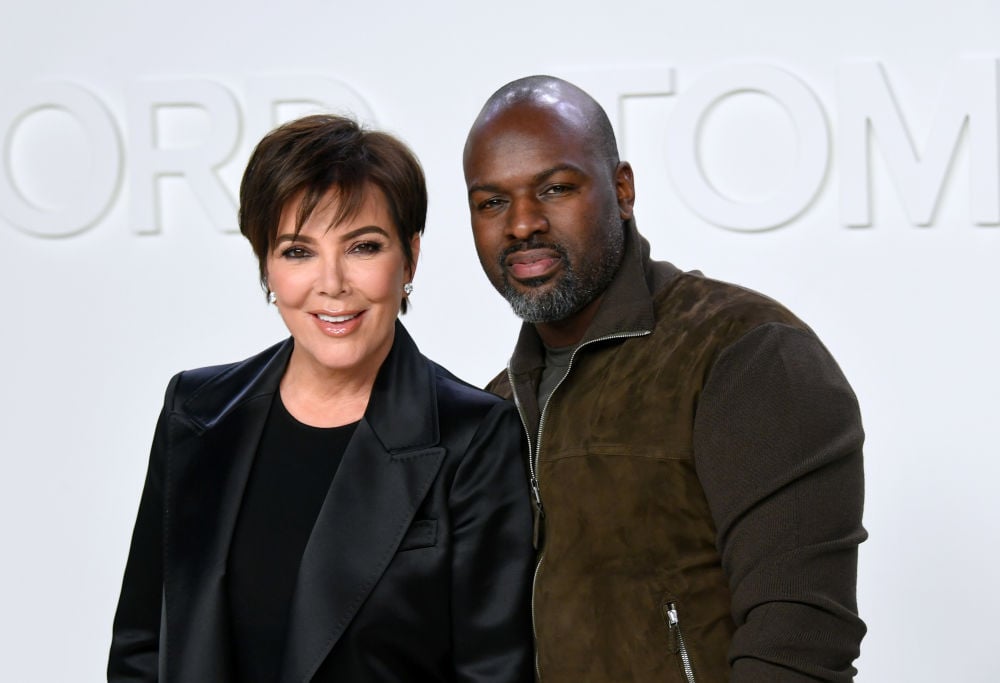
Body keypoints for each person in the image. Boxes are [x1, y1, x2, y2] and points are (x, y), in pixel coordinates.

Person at [462, 75, 867, 682]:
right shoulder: (496, 407)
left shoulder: (745, 353)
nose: (522, 225)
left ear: (622, 189)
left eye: (555, 188)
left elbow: (801, 640)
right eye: (492, 202)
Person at [108, 114, 535, 682]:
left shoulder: (474, 437)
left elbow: (494, 671)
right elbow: (142, 648)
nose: (332, 283)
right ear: (266, 264)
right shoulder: (197, 411)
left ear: (409, 257)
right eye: (297, 251)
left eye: (362, 246)